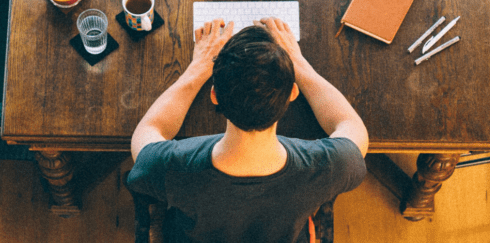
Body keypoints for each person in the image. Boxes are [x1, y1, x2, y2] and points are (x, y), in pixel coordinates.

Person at [127, 17, 369, 243]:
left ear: (214, 96)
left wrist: (197, 68)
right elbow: (351, 126)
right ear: (292, 93)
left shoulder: (171, 167)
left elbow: (147, 132)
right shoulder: (329, 168)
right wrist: (300, 64)